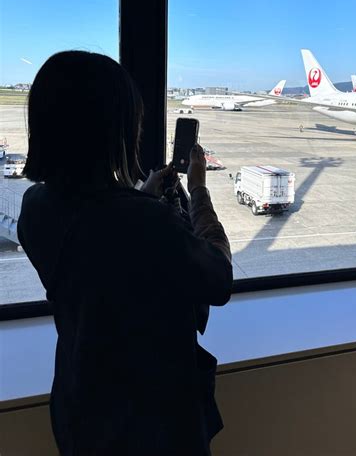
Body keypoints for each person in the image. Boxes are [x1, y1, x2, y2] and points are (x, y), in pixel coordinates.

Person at [17, 51, 233, 456]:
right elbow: (218, 277)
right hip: (153, 426)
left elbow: (98, 254)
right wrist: (199, 192)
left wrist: (140, 196)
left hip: (81, 407)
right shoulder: (144, 222)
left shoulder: (34, 206)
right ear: (109, 130)